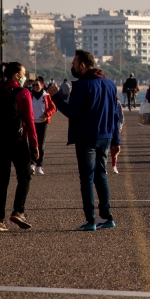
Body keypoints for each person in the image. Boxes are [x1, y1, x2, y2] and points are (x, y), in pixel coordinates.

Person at [48, 50, 122, 231]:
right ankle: (106, 216)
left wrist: (56, 96)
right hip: (105, 135)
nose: (72, 67)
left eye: (74, 64)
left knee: (87, 178)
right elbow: (115, 115)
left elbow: (72, 113)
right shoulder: (110, 85)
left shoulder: (81, 86)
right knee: (101, 175)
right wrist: (116, 140)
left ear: (82, 65)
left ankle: (90, 219)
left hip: (86, 137)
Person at [0, 61, 38, 232]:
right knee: (24, 176)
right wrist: (34, 145)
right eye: (24, 73)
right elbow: (29, 121)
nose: (25, 76)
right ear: (17, 75)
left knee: (1, 180)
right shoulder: (24, 93)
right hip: (18, 142)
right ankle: (18, 211)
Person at [28, 78, 56, 175]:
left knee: (41, 144)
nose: (35, 87)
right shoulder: (29, 96)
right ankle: (32, 163)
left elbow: (53, 107)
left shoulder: (46, 96)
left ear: (42, 86)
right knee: (31, 143)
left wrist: (47, 114)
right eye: (33, 85)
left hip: (42, 122)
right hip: (31, 123)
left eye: (37, 85)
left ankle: (39, 165)